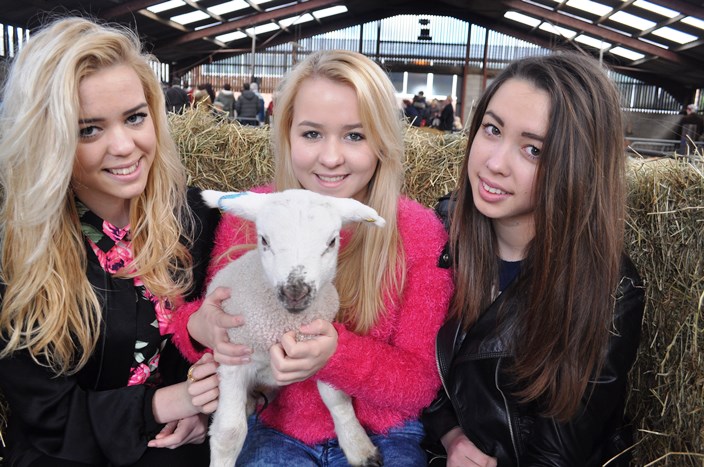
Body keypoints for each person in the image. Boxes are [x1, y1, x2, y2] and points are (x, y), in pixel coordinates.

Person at [171, 49, 454, 466]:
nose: (331, 157)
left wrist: (336, 356)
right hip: (275, 426)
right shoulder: (255, 216)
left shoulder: (418, 232)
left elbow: (420, 384)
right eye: (311, 134)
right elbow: (219, 321)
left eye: (355, 135)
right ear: (286, 136)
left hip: (382, 430)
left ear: (383, 143)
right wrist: (197, 329)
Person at [0, 17, 224, 467]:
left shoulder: (197, 218)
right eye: (89, 129)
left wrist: (204, 408)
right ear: (50, 139)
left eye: (135, 118)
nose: (124, 146)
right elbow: (45, 414)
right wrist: (165, 404)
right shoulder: (19, 248)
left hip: (180, 447)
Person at [422, 52, 645, 466]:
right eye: (492, 129)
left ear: (577, 167)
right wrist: (451, 436)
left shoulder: (611, 290)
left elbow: (557, 453)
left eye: (533, 150)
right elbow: (408, 367)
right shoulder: (438, 234)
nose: (494, 163)